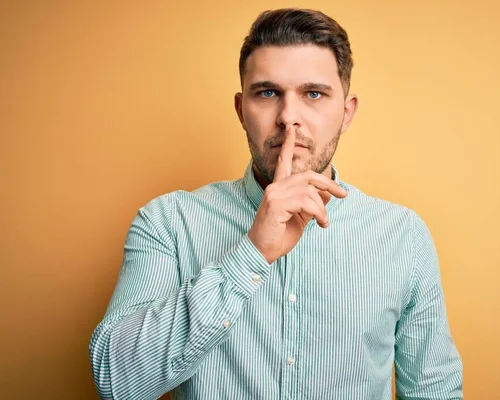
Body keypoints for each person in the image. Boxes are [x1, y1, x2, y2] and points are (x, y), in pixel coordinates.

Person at [89, 8, 463, 400]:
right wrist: (252, 252)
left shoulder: (402, 236)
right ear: (240, 110)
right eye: (268, 93)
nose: (289, 118)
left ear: (346, 113)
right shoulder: (168, 221)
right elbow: (116, 383)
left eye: (313, 94)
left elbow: (434, 392)